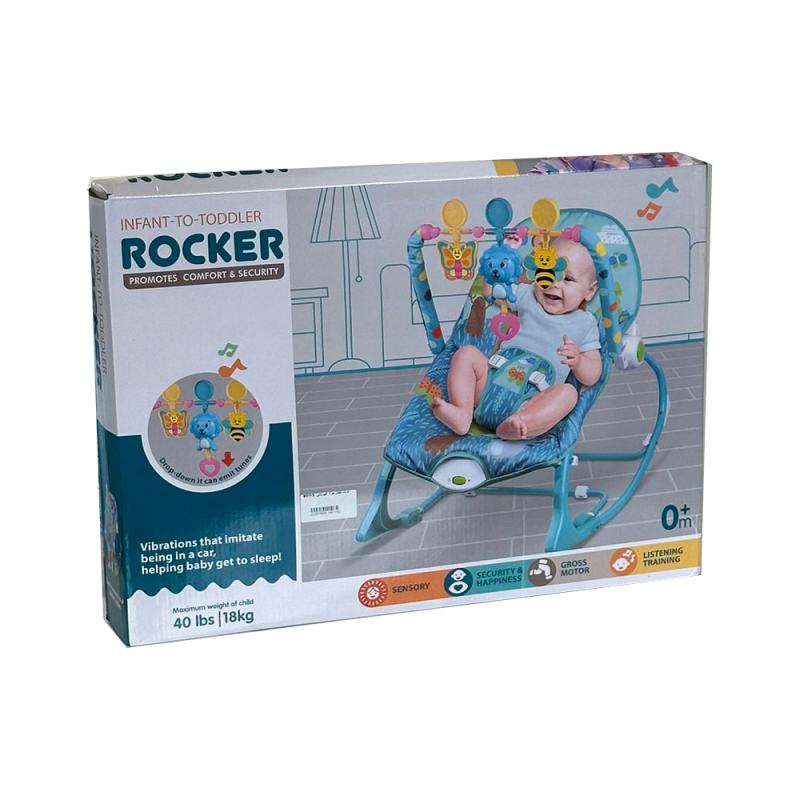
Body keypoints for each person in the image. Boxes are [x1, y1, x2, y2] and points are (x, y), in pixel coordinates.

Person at [432, 237, 602, 440]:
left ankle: (522, 423)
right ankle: (462, 412)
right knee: (465, 354)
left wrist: (579, 362)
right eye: (547, 272)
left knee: (569, 393)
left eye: (568, 279)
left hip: (532, 400)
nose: (554, 283)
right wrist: (504, 252)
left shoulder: (585, 323)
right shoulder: (526, 295)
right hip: (489, 385)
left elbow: (593, 375)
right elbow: (490, 290)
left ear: (590, 291)